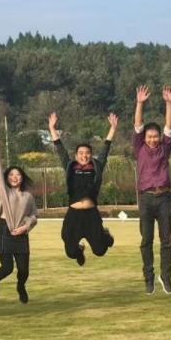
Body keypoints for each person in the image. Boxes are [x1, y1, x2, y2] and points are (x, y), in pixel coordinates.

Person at [49, 110, 118, 266]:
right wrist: (52, 128)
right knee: (70, 252)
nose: (84, 156)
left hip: (91, 214)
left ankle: (105, 235)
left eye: (87, 153)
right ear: (76, 155)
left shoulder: (96, 166)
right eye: (81, 153)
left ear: (91, 155)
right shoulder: (70, 166)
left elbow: (105, 150)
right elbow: (60, 150)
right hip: (74, 214)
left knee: (100, 251)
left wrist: (112, 129)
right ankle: (79, 249)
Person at [133, 85, 171, 294]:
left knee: (166, 240)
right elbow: (138, 125)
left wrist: (169, 103)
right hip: (146, 199)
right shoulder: (139, 147)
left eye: (155, 136)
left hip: (164, 198)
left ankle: (165, 277)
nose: (152, 139)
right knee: (146, 241)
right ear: (144, 138)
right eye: (149, 136)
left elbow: (169, 126)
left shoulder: (165, 148)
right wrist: (140, 103)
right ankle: (148, 278)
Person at [0, 139, 38, 303]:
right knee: (7, 268)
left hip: (21, 233)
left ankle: (21, 287)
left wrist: (25, 227)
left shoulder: (28, 196)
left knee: (24, 270)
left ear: (22, 177)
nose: (14, 177)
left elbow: (34, 216)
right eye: (11, 175)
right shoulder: (3, 190)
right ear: (6, 178)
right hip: (4, 230)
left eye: (18, 175)